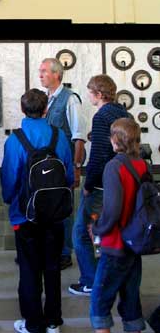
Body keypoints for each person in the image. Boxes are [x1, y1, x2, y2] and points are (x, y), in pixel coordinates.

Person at [1, 88, 73, 333]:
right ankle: (53, 321)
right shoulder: (59, 136)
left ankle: (32, 323)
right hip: (56, 215)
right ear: (45, 110)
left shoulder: (15, 140)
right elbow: (70, 175)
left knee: (29, 270)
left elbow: (9, 181)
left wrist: (11, 201)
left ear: (22, 110)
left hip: (25, 216)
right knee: (52, 268)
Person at [69, 74, 128, 296]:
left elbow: (99, 154)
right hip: (120, 182)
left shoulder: (102, 115)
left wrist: (89, 184)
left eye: (90, 92)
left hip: (101, 186)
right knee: (113, 233)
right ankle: (113, 280)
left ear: (99, 94)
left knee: (80, 233)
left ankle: (90, 282)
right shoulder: (124, 113)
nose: (88, 96)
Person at [90, 118, 147, 333]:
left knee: (100, 301)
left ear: (116, 139)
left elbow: (112, 209)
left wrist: (97, 228)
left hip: (116, 243)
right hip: (135, 242)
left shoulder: (114, 166)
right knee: (131, 299)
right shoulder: (142, 164)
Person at [39, 58, 86, 270]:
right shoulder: (46, 99)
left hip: (64, 165)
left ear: (56, 74)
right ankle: (52, 250)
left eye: (44, 72)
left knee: (64, 208)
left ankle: (65, 253)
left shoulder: (70, 99)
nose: (40, 75)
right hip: (47, 165)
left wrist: (76, 168)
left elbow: (78, 137)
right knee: (50, 207)